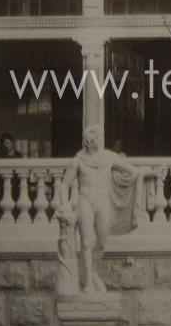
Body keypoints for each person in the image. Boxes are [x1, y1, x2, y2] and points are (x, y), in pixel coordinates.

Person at [55, 126, 144, 295]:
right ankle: (87, 282)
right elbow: (65, 184)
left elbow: (133, 171)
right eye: (96, 139)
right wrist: (65, 203)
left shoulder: (109, 157)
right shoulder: (78, 160)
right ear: (88, 142)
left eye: (100, 138)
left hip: (103, 201)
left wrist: (151, 174)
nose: (100, 141)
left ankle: (92, 270)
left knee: (102, 242)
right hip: (85, 200)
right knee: (87, 243)